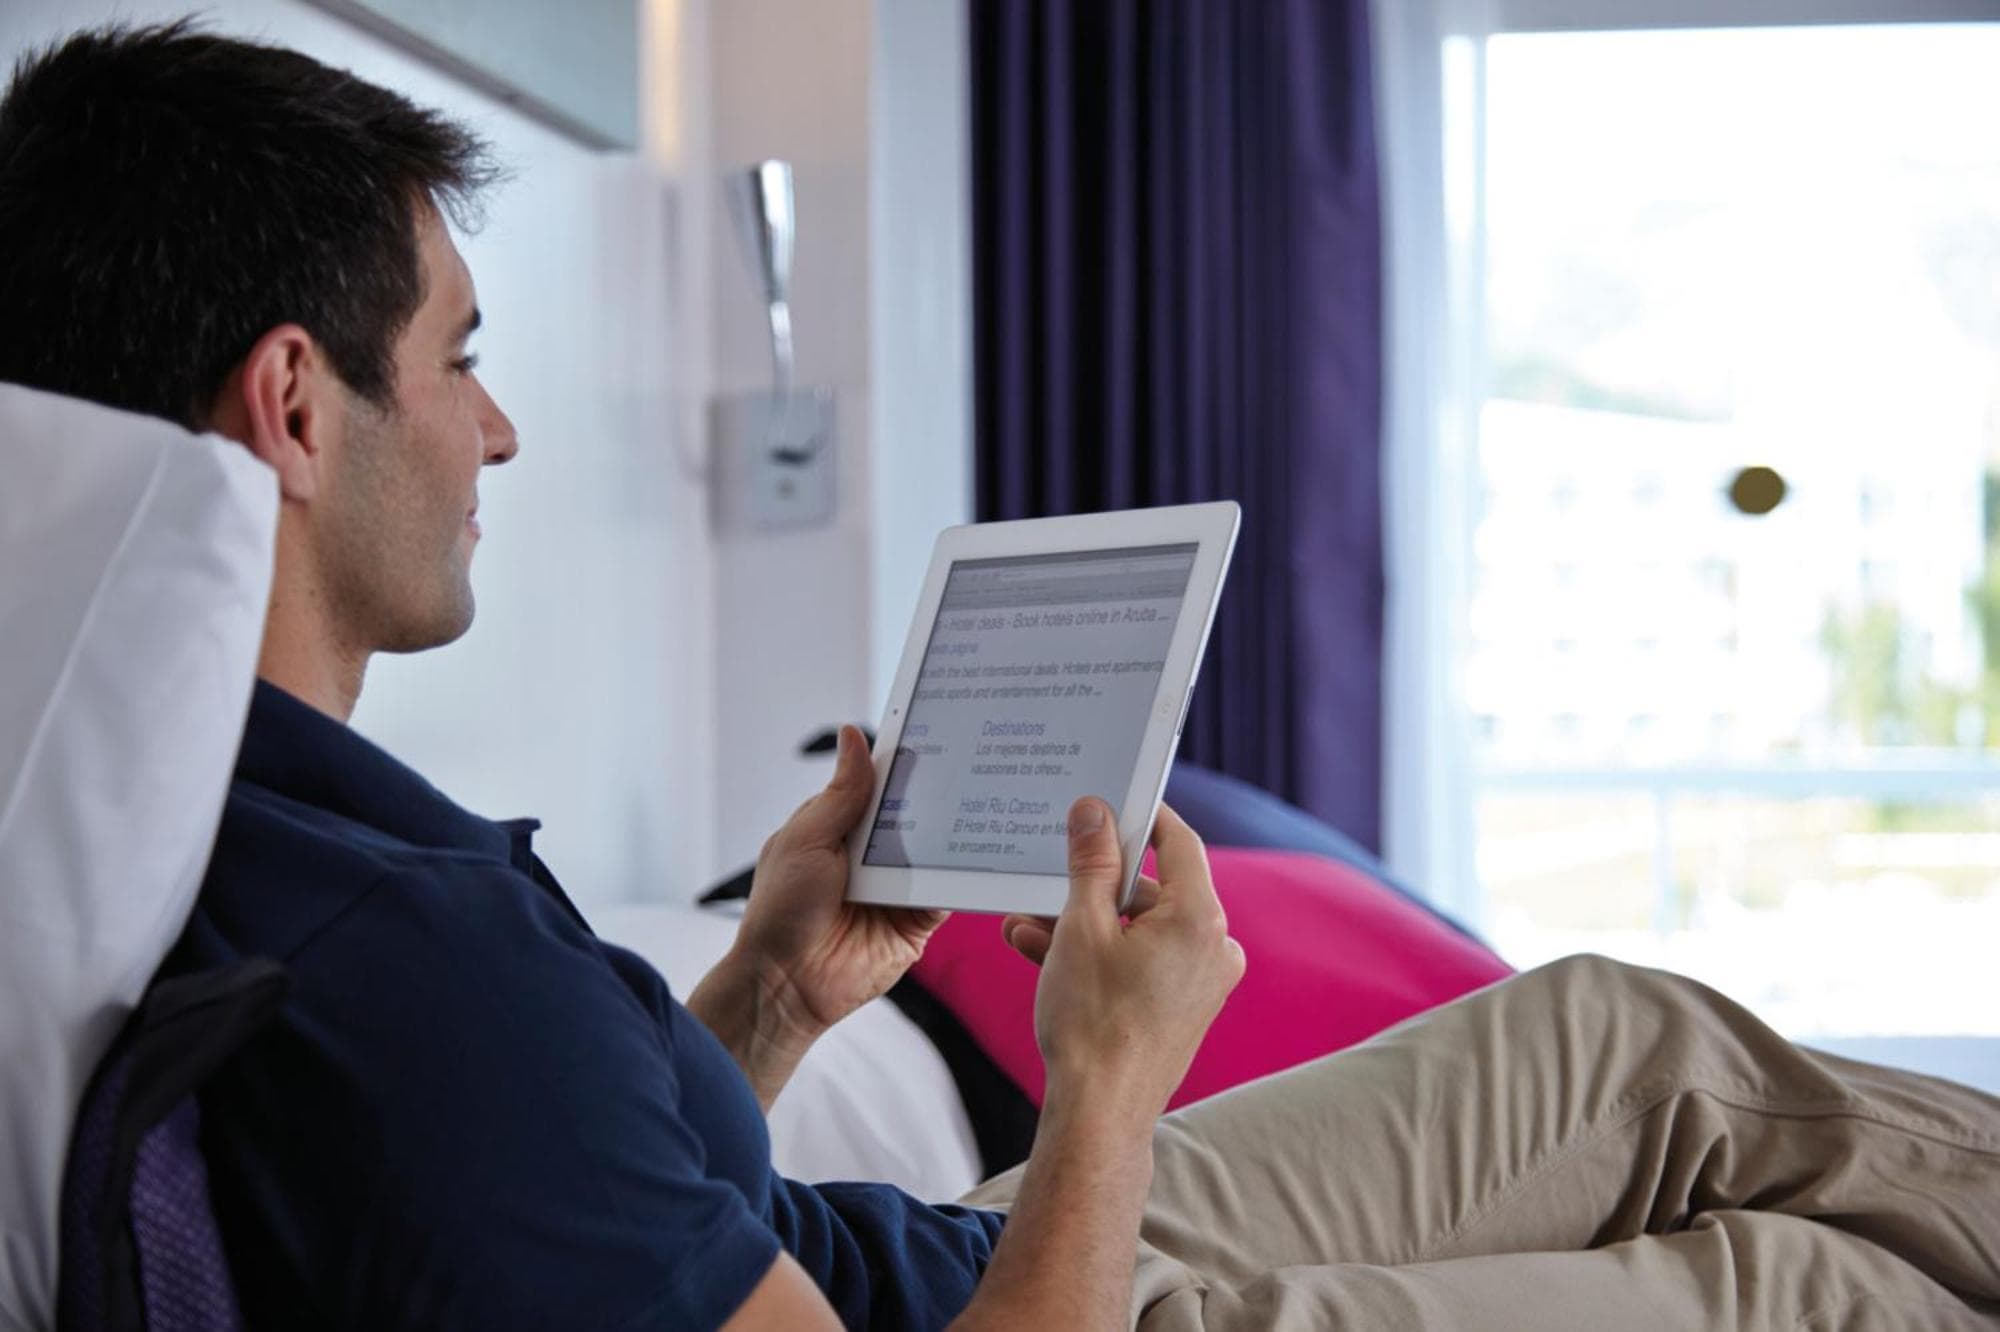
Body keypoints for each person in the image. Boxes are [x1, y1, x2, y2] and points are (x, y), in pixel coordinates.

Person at [1, 20, 1995, 1331]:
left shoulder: (208, 810)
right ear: (294, 404)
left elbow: (570, 1201)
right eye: (457, 358)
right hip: (1054, 1294)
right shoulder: (389, 948)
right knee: (1815, 1282)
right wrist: (1111, 1069)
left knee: (1628, 1035)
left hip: (958, 1258)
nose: (495, 429)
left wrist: (778, 987)